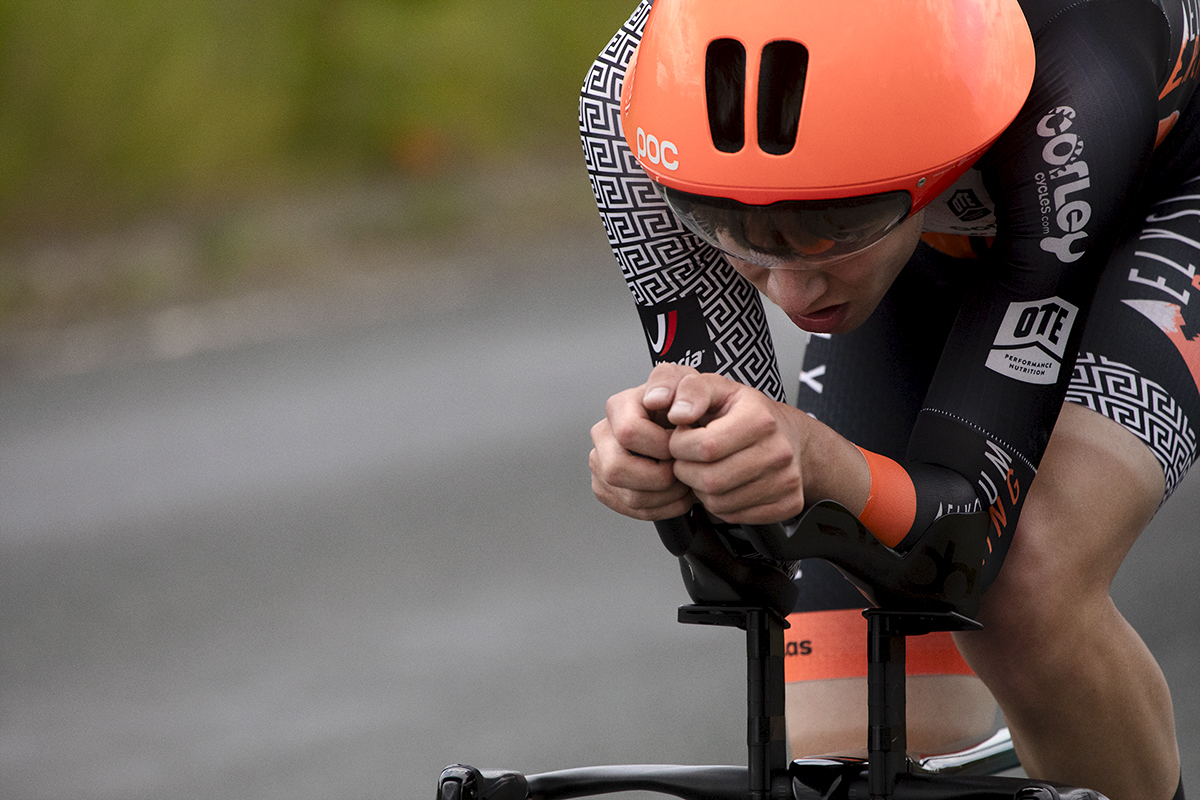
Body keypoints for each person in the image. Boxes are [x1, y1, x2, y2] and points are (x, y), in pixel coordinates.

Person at [579, 1, 1198, 799]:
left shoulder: (1068, 85)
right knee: (844, 756)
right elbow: (755, 538)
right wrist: (674, 461)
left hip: (1154, 185)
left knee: (1028, 590)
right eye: (727, 222)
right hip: (927, 219)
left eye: (833, 224)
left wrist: (813, 455)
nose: (794, 290)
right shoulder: (634, 96)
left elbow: (965, 553)